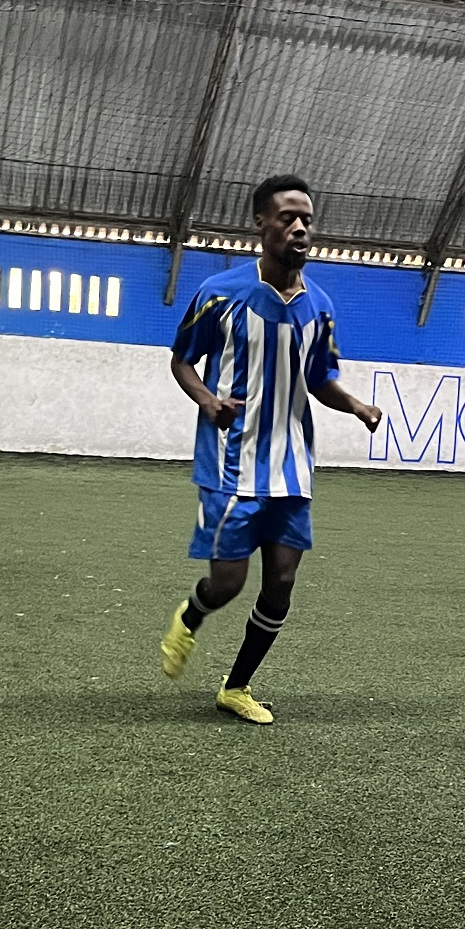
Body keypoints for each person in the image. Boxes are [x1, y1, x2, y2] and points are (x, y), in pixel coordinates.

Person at [157, 175, 383, 724]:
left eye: (307, 218)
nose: (300, 227)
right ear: (261, 223)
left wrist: (356, 405)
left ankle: (236, 687)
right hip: (231, 463)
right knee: (228, 583)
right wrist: (209, 401)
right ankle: (192, 615)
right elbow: (182, 361)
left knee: (281, 582)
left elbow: (319, 378)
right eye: (287, 218)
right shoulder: (220, 293)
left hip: (291, 465)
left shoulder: (319, 306)